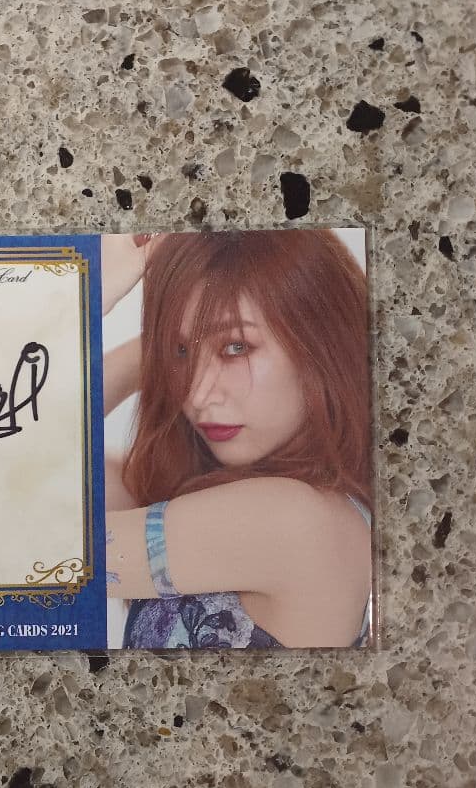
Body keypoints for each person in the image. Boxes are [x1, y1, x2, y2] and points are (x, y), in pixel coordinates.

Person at [101, 230, 373, 650]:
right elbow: (17, 463)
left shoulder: (292, 520)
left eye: (235, 346)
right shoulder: (309, 504)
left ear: (321, 346)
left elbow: (19, 555)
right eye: (181, 354)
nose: (196, 394)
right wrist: (162, 343)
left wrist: (83, 299)